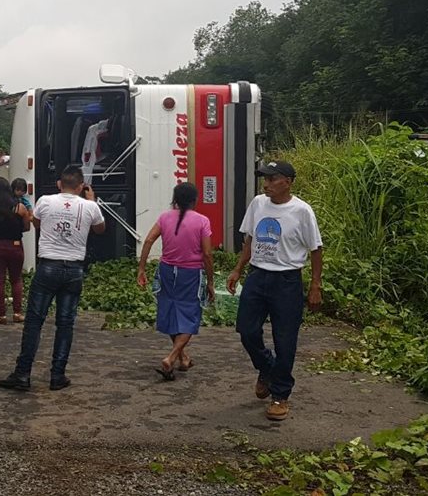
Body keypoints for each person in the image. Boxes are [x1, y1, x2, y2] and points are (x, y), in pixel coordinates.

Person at [226, 161, 323, 421]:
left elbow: (315, 249)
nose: (266, 184)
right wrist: (237, 269)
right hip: (258, 276)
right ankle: (267, 368)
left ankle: (280, 395)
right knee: (246, 330)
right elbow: (250, 239)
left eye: (272, 179)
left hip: (287, 281)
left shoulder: (302, 211)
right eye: (264, 179)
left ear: (287, 182)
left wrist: (315, 285)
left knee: (285, 340)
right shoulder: (258, 204)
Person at [0, 165, 104, 393]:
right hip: (74, 270)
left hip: (48, 266)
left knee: (34, 321)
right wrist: (92, 201)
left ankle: (23, 374)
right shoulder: (90, 207)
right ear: (81, 186)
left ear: (59, 184)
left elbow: (36, 223)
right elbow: (100, 229)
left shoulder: (45, 201)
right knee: (65, 324)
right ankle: (57, 375)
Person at [136, 182, 216, 380]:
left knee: (171, 311)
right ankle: (171, 357)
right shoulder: (202, 221)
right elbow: (207, 254)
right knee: (190, 315)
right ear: (195, 200)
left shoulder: (164, 218)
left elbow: (148, 240)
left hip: (167, 271)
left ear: (175, 200)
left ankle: (184, 358)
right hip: (191, 274)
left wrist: (142, 268)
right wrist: (210, 282)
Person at [0, 177, 31, 325]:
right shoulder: (20, 208)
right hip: (15, 247)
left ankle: (2, 315)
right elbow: (27, 227)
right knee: (16, 280)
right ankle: (17, 313)